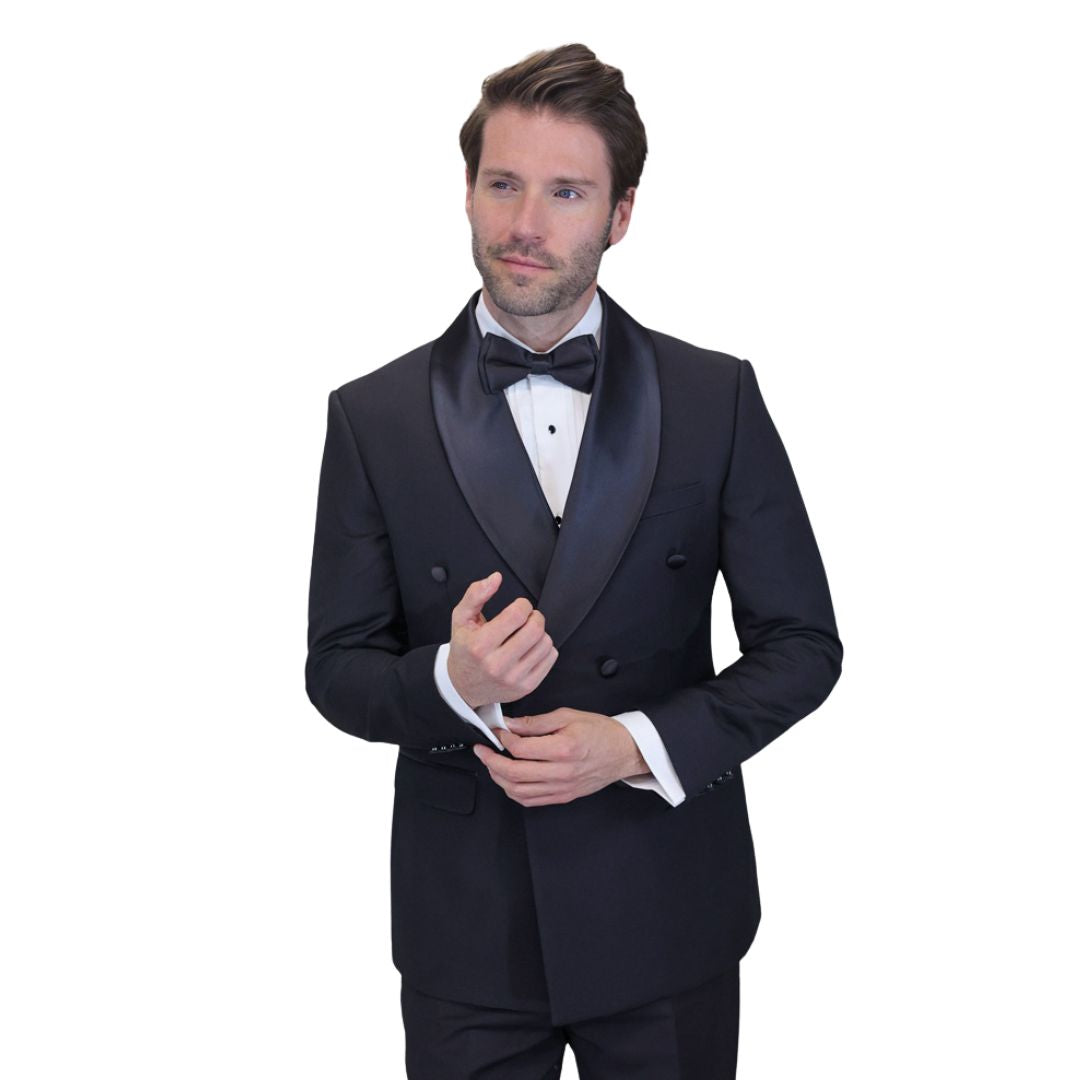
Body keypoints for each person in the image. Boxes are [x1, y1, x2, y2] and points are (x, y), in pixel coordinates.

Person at [305, 42, 842, 1080]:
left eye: (566, 192)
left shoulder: (714, 398)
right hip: (467, 926)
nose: (525, 224)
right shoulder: (373, 416)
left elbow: (803, 646)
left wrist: (635, 745)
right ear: (467, 191)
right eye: (503, 184)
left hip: (667, 907)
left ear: (621, 213)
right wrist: (450, 681)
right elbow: (335, 669)